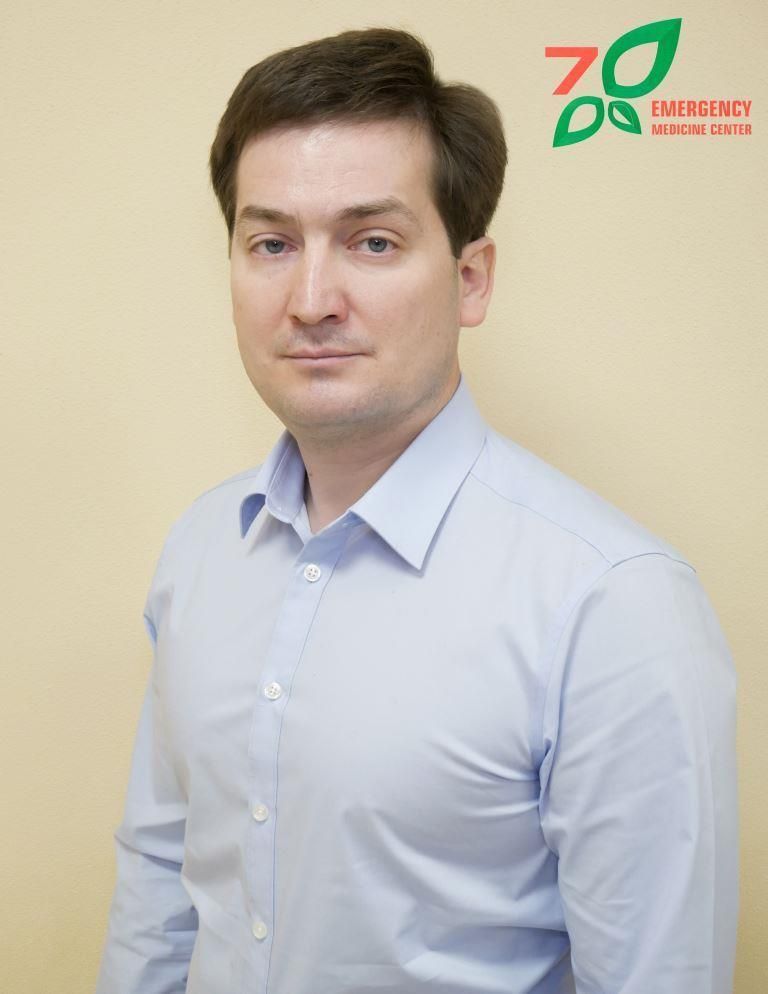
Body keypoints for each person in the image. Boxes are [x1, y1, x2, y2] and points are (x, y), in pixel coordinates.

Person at [94, 26, 739, 994]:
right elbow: (161, 889)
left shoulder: (612, 605)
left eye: (373, 242)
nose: (312, 299)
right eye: (271, 243)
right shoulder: (201, 549)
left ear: (470, 279)